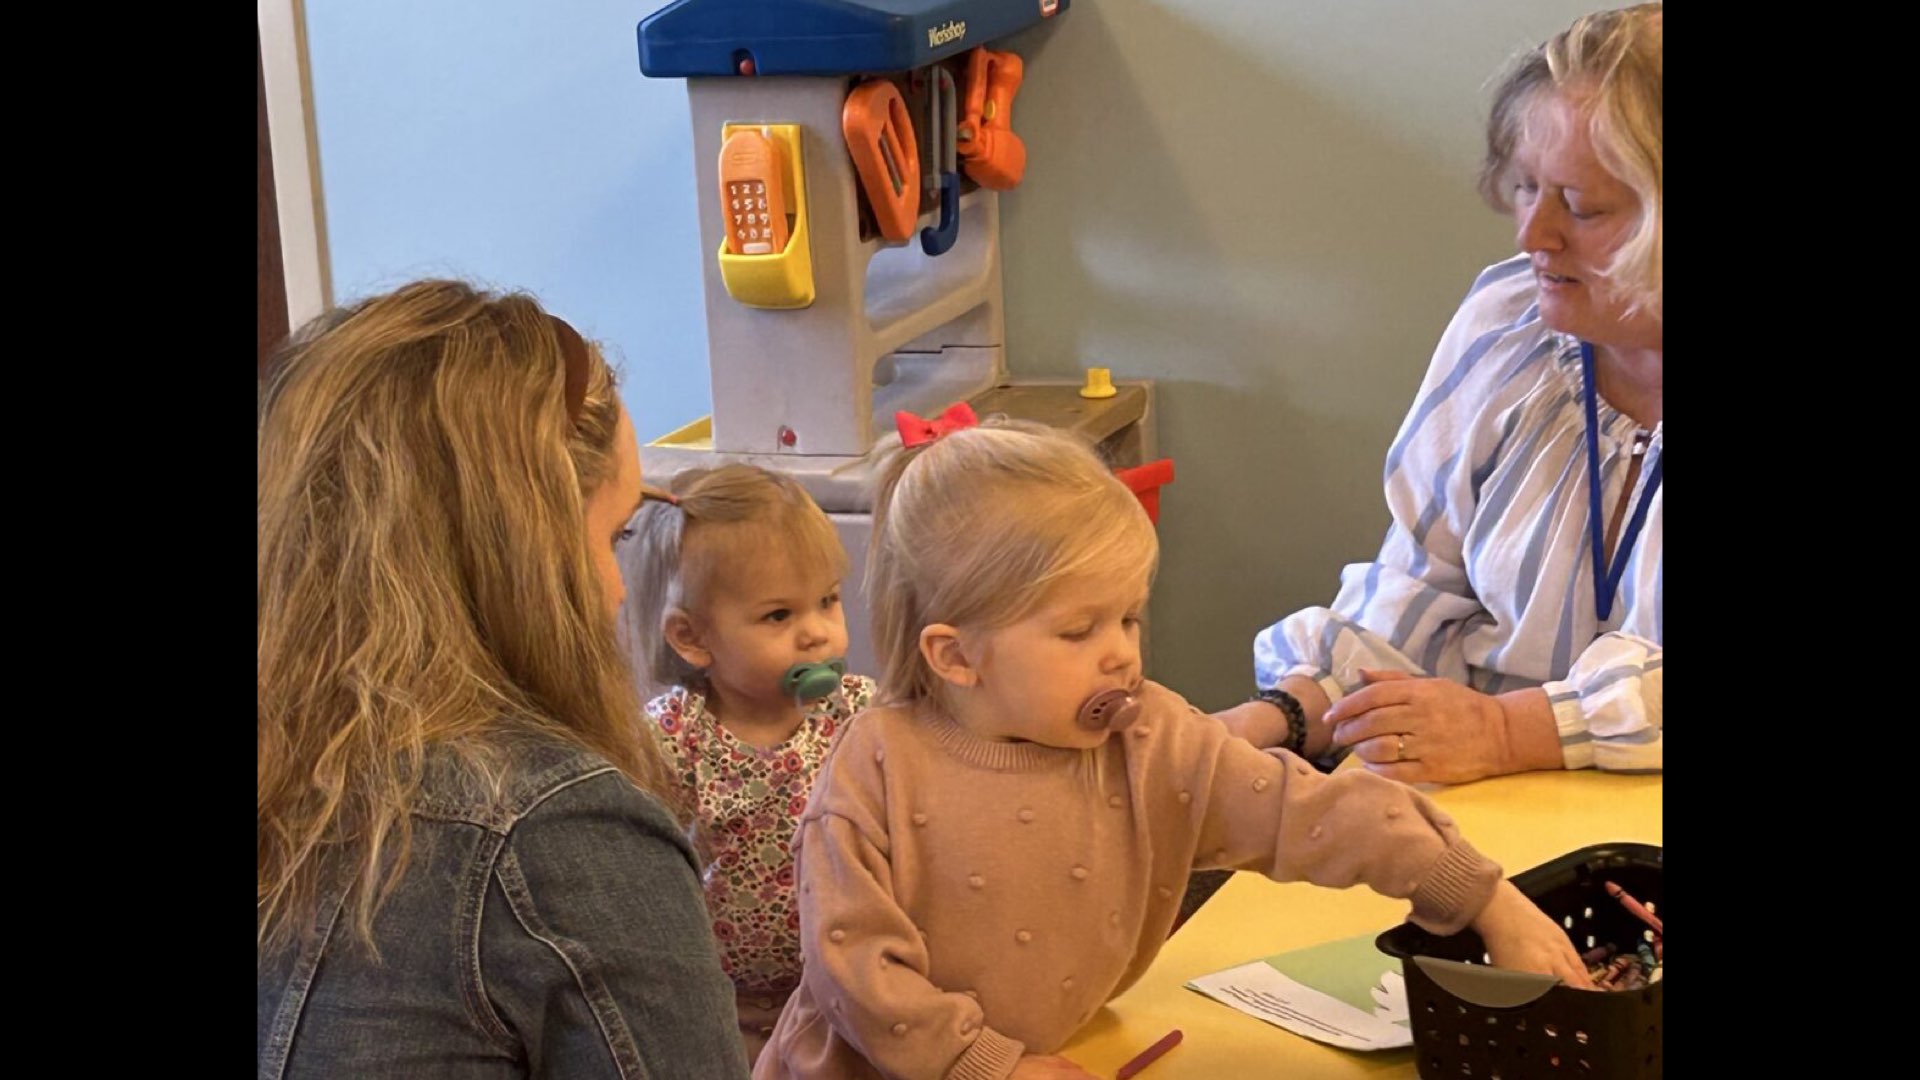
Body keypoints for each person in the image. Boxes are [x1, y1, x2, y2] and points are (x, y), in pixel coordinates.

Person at [753, 411, 1591, 1080]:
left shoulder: (1151, 738)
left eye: (1127, 618)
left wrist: (1484, 897)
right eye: (1078, 630)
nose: (1121, 653)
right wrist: (985, 1065)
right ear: (956, 656)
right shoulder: (875, 768)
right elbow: (855, 970)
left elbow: (1314, 812)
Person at [257, 279, 751, 1078]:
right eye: (615, 538)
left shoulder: (294, 784)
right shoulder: (556, 832)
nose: (617, 592)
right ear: (524, 556)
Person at [1218, 3, 1663, 784]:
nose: (1533, 234)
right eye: (1527, 187)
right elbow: (1422, 587)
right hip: (1498, 807)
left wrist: (1509, 730)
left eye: (1582, 206)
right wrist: (1285, 715)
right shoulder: (1508, 330)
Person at [617, 463, 876, 1063]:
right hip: (723, 1005)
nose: (817, 633)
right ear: (692, 638)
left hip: (842, 996)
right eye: (778, 615)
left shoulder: (859, 714)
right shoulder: (673, 736)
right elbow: (643, 875)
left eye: (827, 601)